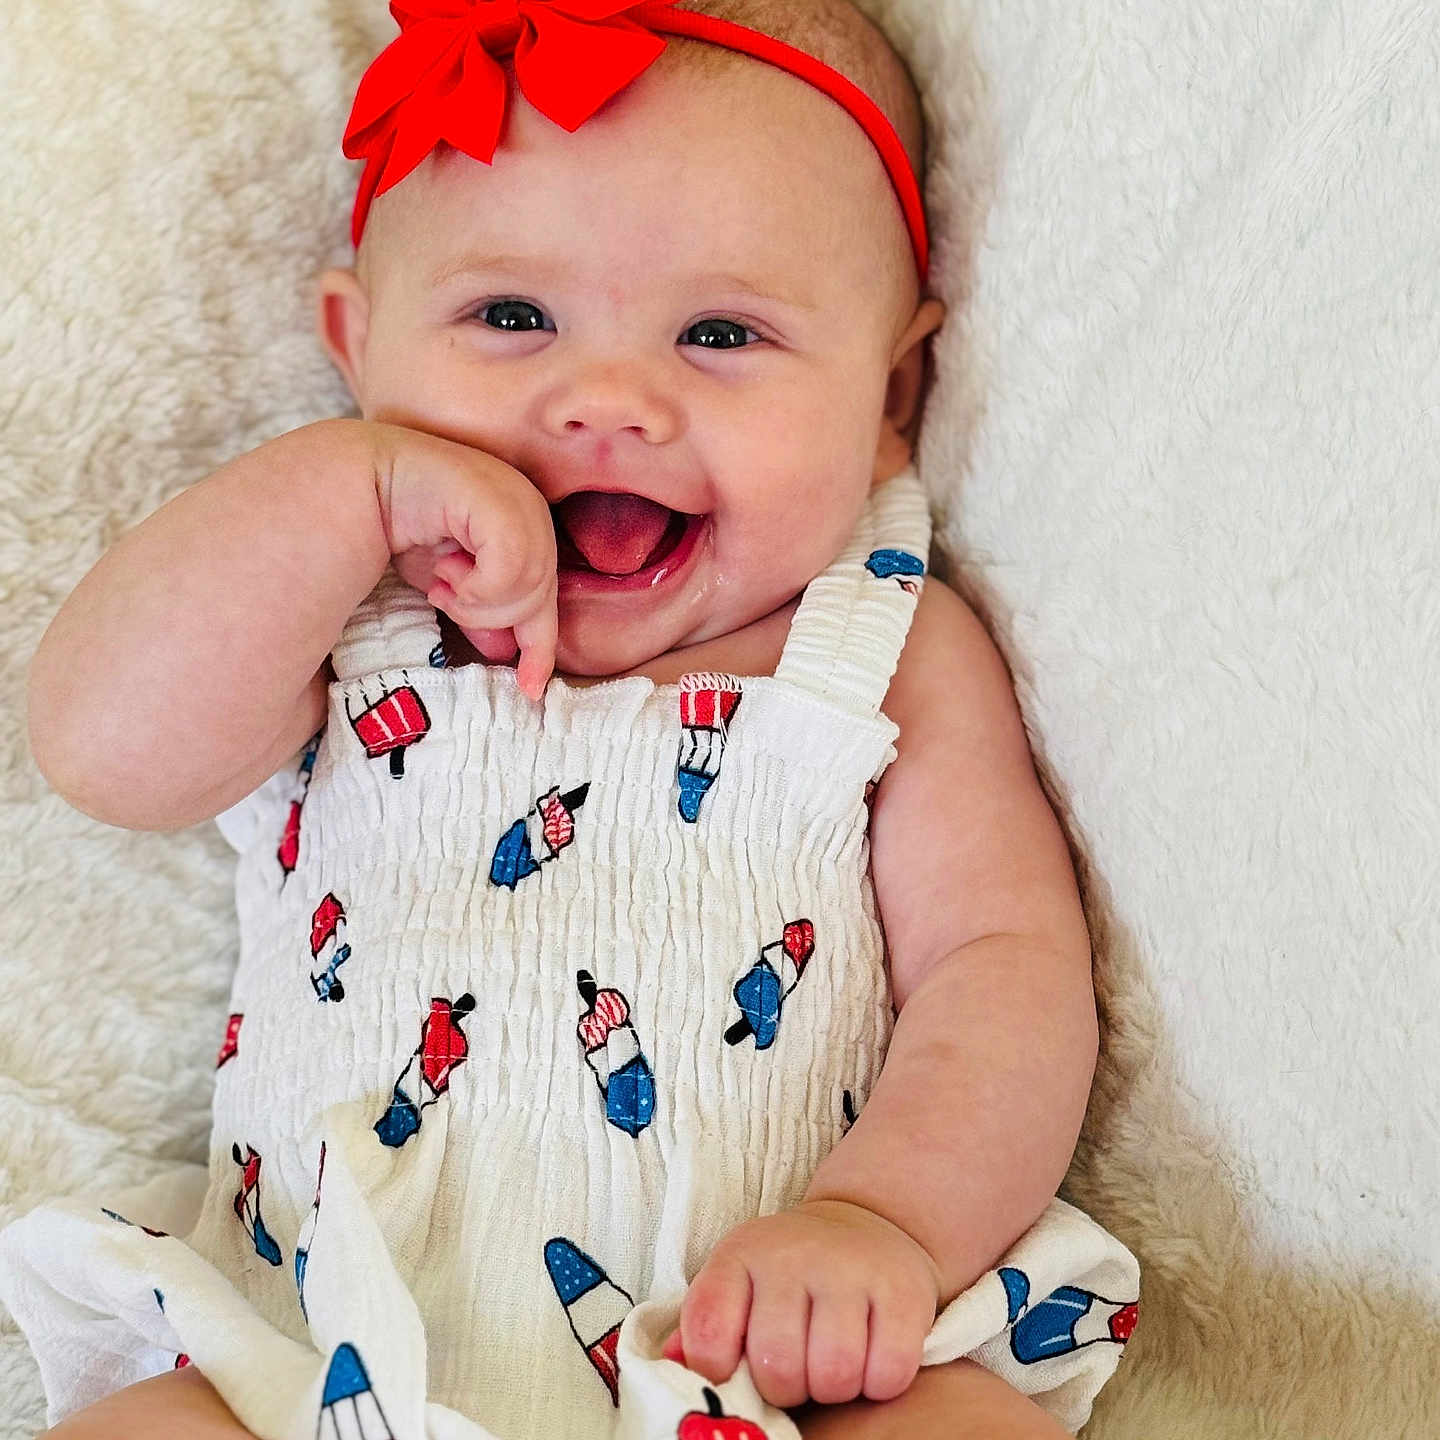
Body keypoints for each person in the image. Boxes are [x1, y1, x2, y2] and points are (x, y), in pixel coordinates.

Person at [0, 2, 1139, 1437]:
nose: (606, 400)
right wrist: (350, 494)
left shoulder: (881, 647)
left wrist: (885, 1224)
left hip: (758, 1354)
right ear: (359, 345)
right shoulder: (332, 611)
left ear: (891, 392)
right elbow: (101, 749)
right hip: (313, 1347)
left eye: (722, 332)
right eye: (511, 318)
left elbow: (1002, 963)